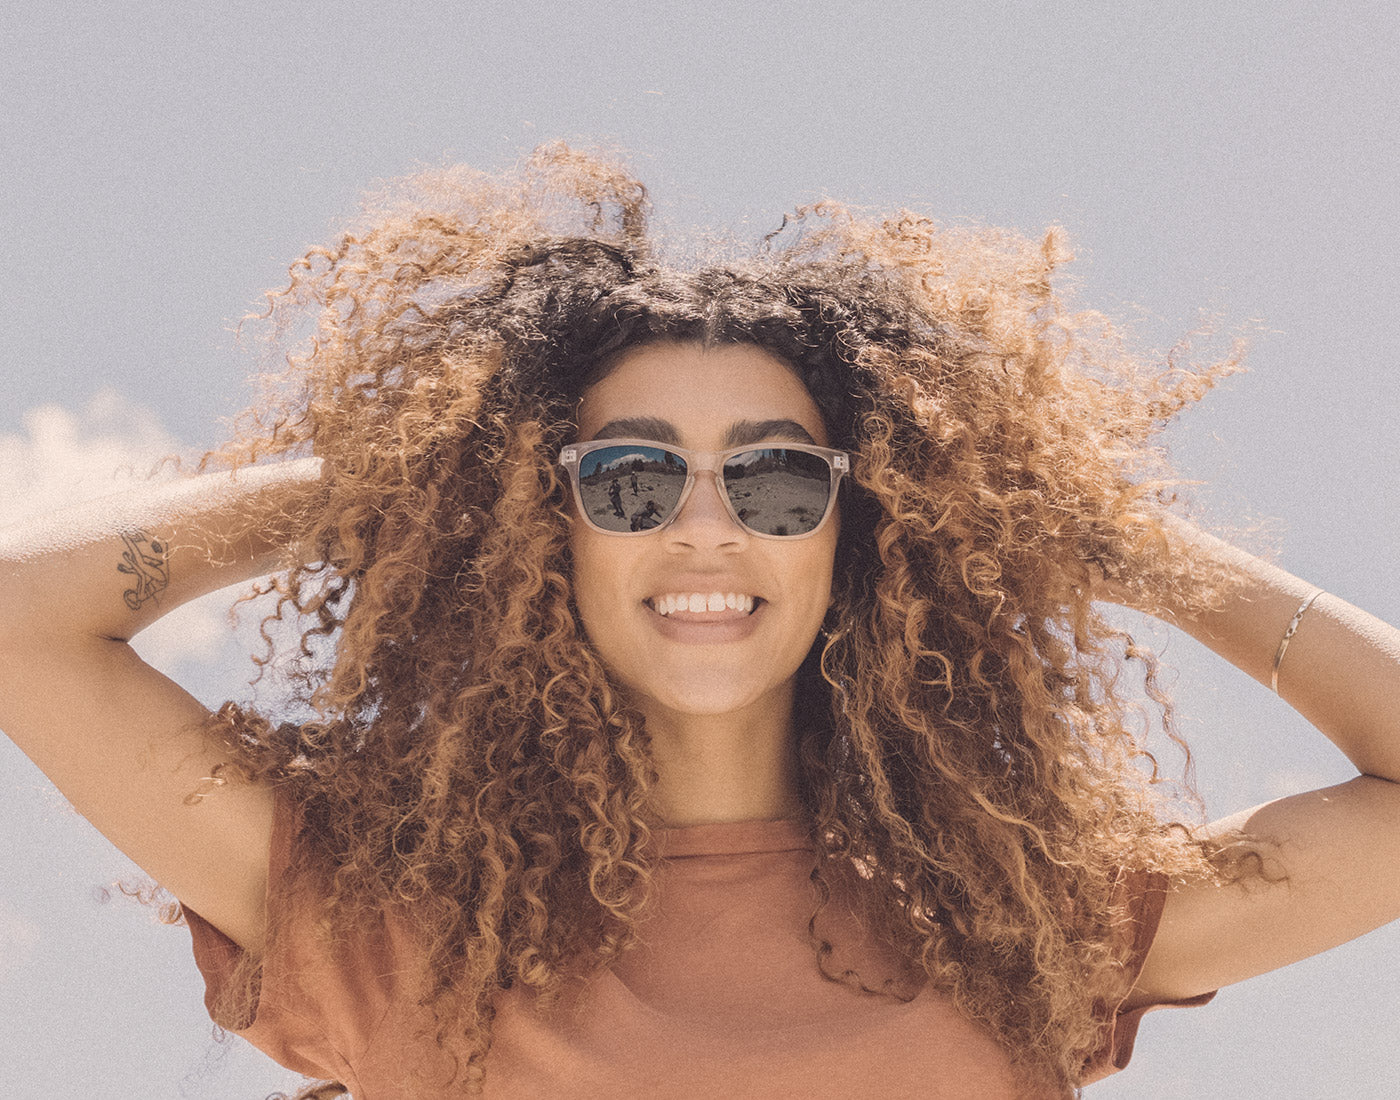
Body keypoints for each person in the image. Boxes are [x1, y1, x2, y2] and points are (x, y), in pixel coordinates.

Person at [1, 143, 1398, 1099]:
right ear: (538, 523)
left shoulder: (1017, 929)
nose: (708, 525)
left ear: (865, 530)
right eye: (629, 476)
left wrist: (1094, 534)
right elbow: (22, 617)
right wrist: (416, 473)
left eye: (781, 478)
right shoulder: (384, 916)